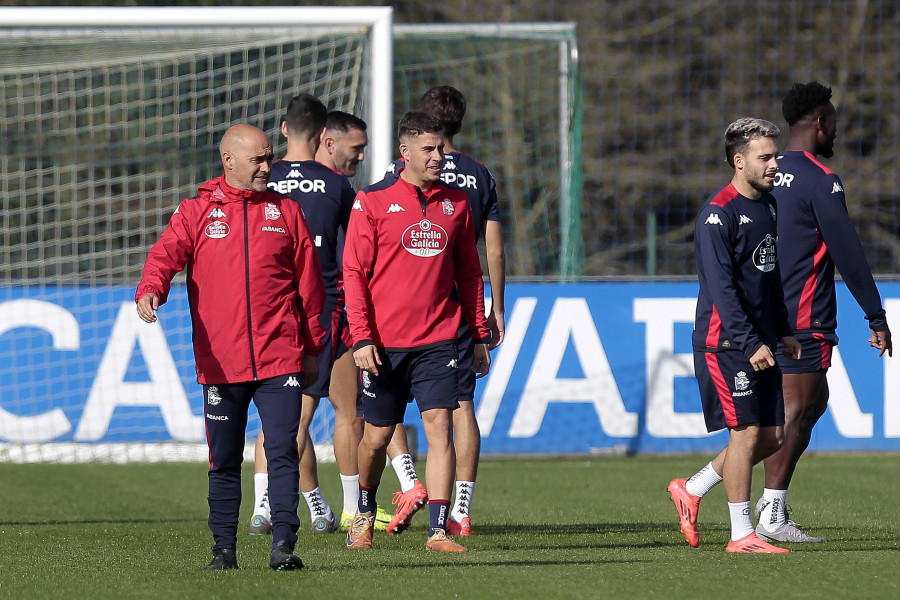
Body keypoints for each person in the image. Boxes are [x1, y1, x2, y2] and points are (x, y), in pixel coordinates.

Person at [136, 124, 325, 570]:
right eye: (258, 159)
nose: (267, 166)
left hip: (281, 357)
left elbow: (310, 288)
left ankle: (284, 546)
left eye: (269, 157)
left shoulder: (287, 212)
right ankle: (223, 551)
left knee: (283, 450)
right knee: (223, 458)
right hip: (220, 361)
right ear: (229, 161)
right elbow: (165, 256)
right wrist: (150, 290)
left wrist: (313, 347)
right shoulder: (197, 211)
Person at [343, 111, 492, 553]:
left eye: (441, 148)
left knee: (440, 427)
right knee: (375, 438)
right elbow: (353, 272)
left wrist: (478, 334)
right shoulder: (371, 201)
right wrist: (362, 337)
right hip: (384, 344)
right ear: (404, 152)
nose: (439, 156)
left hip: (440, 340)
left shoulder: (457, 203)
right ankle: (364, 513)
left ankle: (437, 531)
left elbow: (469, 275)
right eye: (428, 149)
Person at [753, 82, 892, 541]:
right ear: (818, 124)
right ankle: (758, 509)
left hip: (767, 313)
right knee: (793, 414)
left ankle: (761, 505)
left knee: (812, 405)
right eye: (832, 120)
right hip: (804, 319)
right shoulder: (821, 179)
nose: (836, 128)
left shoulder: (764, 175)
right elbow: (849, 254)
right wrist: (875, 315)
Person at [247, 99, 391, 536]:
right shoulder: (336, 185)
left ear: (285, 129)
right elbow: (363, 245)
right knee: (340, 414)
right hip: (326, 311)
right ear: (322, 134)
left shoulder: (262, 182)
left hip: (272, 311)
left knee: (284, 416)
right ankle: (351, 511)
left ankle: (268, 508)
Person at [667, 117, 801, 553]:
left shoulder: (770, 205)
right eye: (765, 157)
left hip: (760, 338)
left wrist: (781, 330)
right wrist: (749, 341)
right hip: (726, 343)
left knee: (774, 437)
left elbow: (770, 276)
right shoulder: (716, 214)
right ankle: (742, 534)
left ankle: (692, 488)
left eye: (774, 155)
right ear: (738, 161)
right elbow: (722, 289)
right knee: (743, 434)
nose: (774, 163)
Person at [382, 86, 506, 537]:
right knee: (461, 409)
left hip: (407, 309)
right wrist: (495, 310)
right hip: (460, 311)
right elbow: (491, 248)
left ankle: (410, 483)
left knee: (385, 408)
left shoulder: (401, 171)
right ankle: (461, 510)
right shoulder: (480, 174)